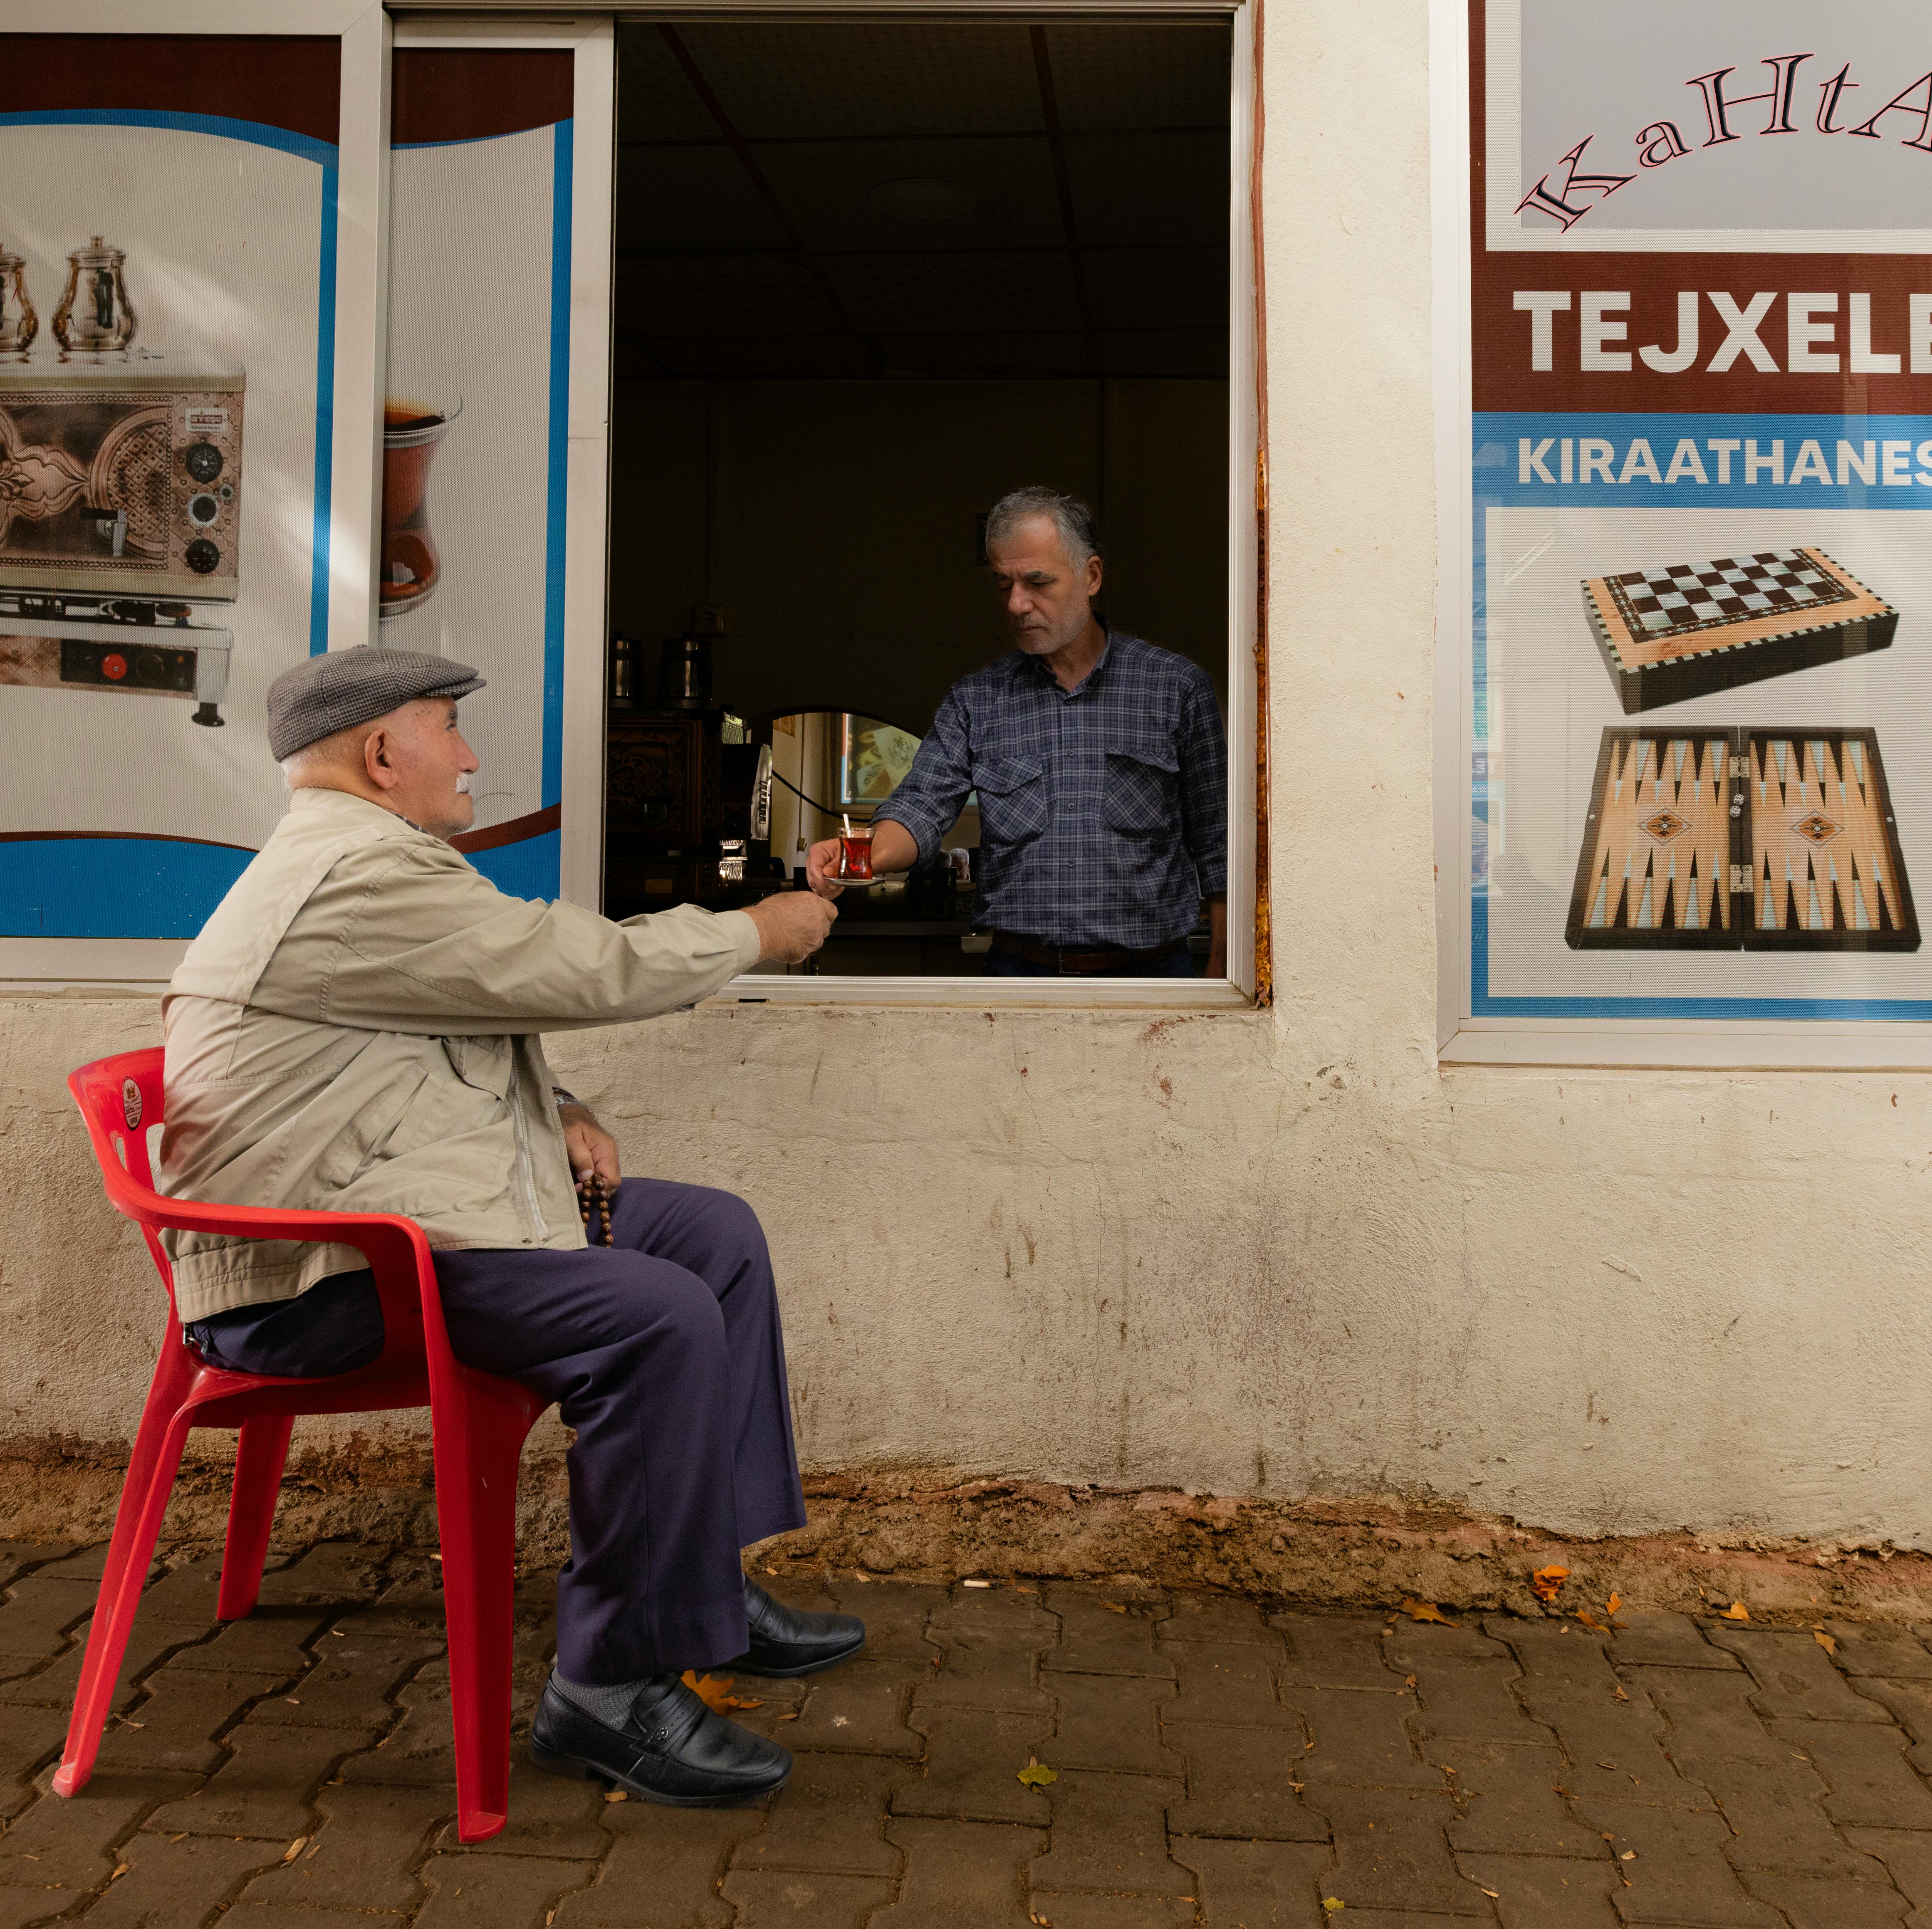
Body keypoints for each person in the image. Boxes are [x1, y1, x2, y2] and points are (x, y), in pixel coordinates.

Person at [159, 645, 857, 1805]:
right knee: (654, 1312)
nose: (472, 753)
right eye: (449, 724)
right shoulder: (357, 876)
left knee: (711, 1236)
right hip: (317, 1273)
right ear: (385, 753)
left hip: (370, 1213)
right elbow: (572, 965)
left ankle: (697, 1591)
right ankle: (609, 1686)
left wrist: (562, 1105)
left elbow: (445, 1018)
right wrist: (751, 932)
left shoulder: (368, 860)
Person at [807, 485, 1228, 977]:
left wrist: (1222, 964)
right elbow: (921, 807)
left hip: (1154, 974)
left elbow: (1218, 842)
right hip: (1019, 973)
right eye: (1004, 585)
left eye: (1037, 582)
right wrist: (862, 854)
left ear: (1091, 576)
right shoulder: (975, 701)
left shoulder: (1176, 689)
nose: (1016, 604)